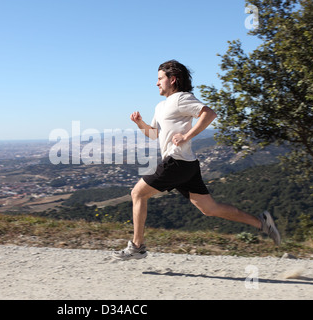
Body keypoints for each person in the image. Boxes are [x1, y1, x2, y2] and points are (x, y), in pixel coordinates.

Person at [113, 60, 281, 260]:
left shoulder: (181, 98)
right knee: (210, 209)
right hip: (187, 164)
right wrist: (140, 123)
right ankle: (262, 223)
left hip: (176, 162)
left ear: (172, 79)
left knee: (138, 193)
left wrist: (186, 136)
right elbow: (153, 134)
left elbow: (209, 114)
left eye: (160, 79)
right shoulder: (161, 106)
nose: (156, 83)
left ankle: (137, 247)